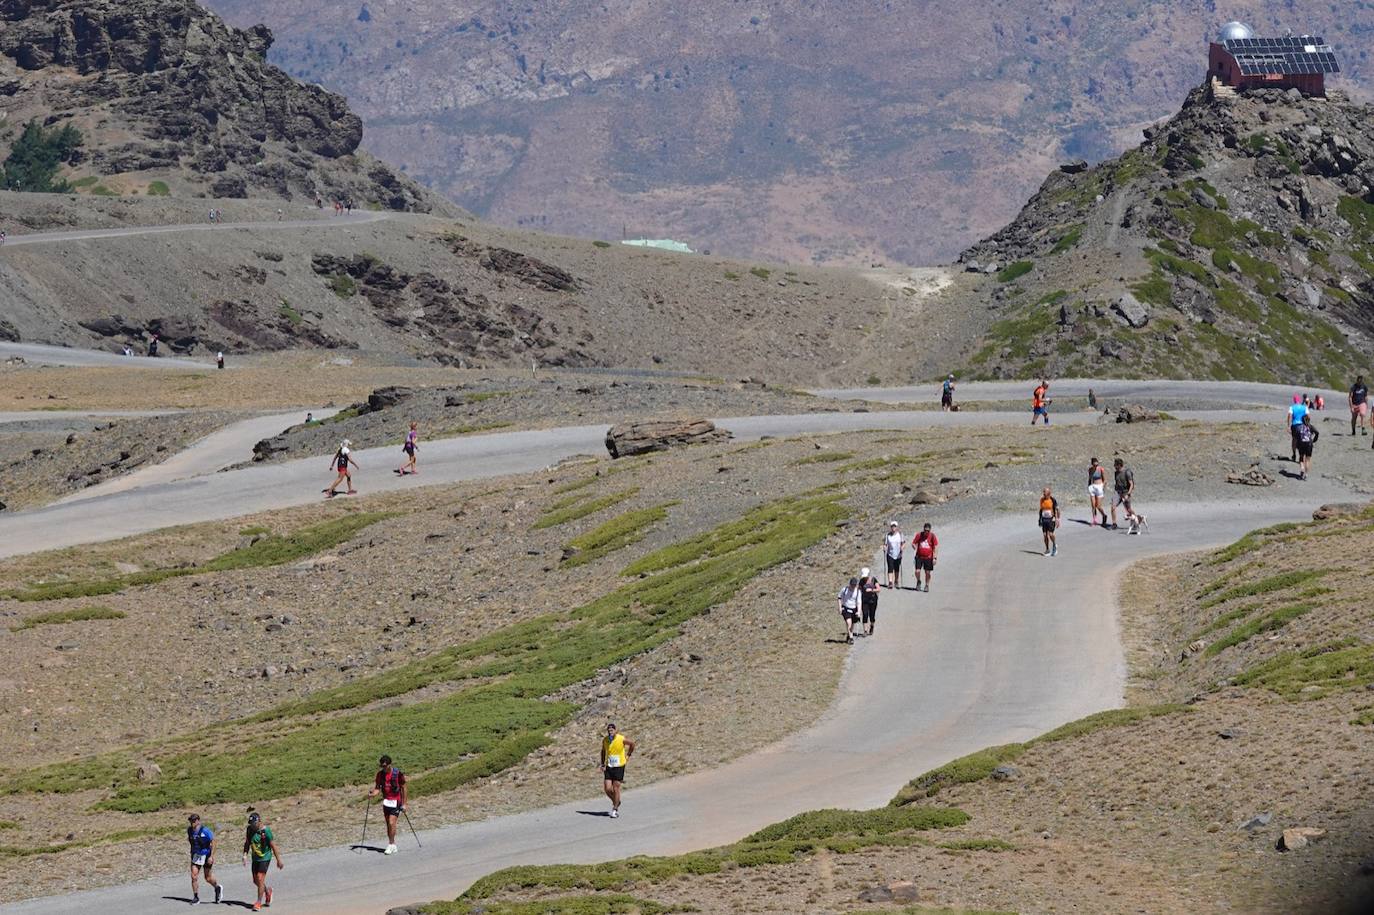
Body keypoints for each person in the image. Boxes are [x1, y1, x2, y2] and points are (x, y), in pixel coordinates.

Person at [242, 809, 282, 912]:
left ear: (259, 821)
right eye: (250, 824)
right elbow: (247, 843)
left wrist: (279, 860)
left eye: (254, 823)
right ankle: (267, 891)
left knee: (260, 878)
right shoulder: (249, 830)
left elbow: (273, 846)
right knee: (256, 881)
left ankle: (258, 902)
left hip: (265, 857)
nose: (252, 825)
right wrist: (245, 855)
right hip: (255, 858)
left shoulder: (266, 831)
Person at [368, 755, 408, 855]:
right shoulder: (380, 775)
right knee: (388, 825)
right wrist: (372, 794)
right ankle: (393, 844)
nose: (384, 768)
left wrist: (404, 804)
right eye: (382, 766)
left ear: (390, 764)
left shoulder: (397, 773)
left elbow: (404, 787)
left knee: (391, 822)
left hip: (396, 801)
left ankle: (390, 845)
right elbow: (377, 788)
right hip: (386, 802)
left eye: (385, 766)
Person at [600, 722, 636, 818]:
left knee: (616, 788)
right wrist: (602, 763)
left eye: (612, 730)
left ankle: (615, 810)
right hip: (609, 766)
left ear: (615, 730)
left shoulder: (621, 738)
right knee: (607, 789)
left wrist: (628, 755)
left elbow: (632, 744)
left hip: (619, 766)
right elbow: (603, 751)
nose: (610, 732)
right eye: (608, 730)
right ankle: (616, 801)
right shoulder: (605, 740)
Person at [187, 813, 223, 905]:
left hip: (206, 855)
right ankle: (196, 897)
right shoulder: (190, 830)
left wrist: (211, 856)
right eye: (191, 821)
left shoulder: (206, 831)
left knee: (208, 878)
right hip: (196, 856)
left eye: (194, 821)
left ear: (198, 821)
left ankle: (217, 887)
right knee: (193, 876)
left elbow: (214, 842)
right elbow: (192, 842)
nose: (192, 823)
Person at [911, 523, 938, 592]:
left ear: (930, 530)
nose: (926, 532)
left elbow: (935, 547)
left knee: (927, 572)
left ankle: (927, 585)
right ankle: (918, 581)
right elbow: (913, 543)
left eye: (928, 531)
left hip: (928, 557)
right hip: (919, 556)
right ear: (923, 529)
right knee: (917, 571)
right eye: (925, 530)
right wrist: (914, 546)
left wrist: (935, 558)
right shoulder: (919, 535)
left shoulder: (932, 536)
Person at [1110, 458, 1136, 530]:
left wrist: (1128, 494)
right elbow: (1117, 483)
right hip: (1118, 492)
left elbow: (1131, 484)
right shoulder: (1116, 473)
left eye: (1115, 465)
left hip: (1125, 492)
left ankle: (1135, 521)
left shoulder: (1127, 472)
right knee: (1113, 507)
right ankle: (1114, 524)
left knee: (1129, 510)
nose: (1114, 466)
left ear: (1119, 465)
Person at [1086, 457, 1109, 527]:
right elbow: (1090, 478)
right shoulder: (1090, 470)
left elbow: (1105, 479)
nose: (1096, 466)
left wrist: (1103, 487)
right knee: (1093, 505)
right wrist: (1089, 486)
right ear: (1092, 464)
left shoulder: (1101, 469)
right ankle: (1094, 520)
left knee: (1098, 506)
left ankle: (1104, 515)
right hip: (1093, 486)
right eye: (1094, 465)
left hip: (1099, 486)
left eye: (1097, 465)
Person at [1296, 413, 1319, 480]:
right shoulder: (1311, 426)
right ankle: (1306, 474)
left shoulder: (1299, 427)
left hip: (1301, 444)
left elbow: (1296, 436)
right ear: (1309, 420)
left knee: (1301, 457)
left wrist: (1297, 444)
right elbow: (1317, 432)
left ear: (1302, 420)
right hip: (1309, 444)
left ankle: (1302, 468)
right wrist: (1314, 440)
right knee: (1308, 459)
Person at [838, 576, 861, 643]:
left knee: (852, 624)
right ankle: (851, 638)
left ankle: (849, 634)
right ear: (850, 584)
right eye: (852, 585)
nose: (853, 586)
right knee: (849, 623)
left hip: (854, 609)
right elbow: (839, 597)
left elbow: (859, 602)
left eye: (854, 585)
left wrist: (859, 612)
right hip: (845, 608)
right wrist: (839, 608)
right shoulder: (844, 590)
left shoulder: (858, 592)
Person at [1038, 487, 1060, 557]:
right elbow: (1041, 510)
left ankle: (1054, 545)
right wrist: (1039, 519)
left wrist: (1057, 519)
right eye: (1043, 492)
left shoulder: (1053, 500)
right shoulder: (1042, 500)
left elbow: (1057, 509)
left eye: (1045, 492)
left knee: (1050, 534)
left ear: (1049, 493)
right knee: (1045, 535)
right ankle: (1047, 549)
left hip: (1051, 519)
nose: (1043, 493)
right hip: (1044, 519)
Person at [858, 566, 880, 636]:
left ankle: (872, 626)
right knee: (865, 614)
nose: (865, 578)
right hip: (864, 600)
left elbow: (879, 589)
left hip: (873, 599)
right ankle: (865, 631)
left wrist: (872, 590)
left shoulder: (873, 580)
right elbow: (859, 589)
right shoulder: (861, 581)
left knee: (872, 615)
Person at [1287, 394, 1308, 463]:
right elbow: (1308, 416)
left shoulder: (1292, 407)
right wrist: (1307, 424)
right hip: (1302, 425)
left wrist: (1288, 426)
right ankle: (1301, 456)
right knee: (1302, 440)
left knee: (1294, 440)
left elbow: (1289, 416)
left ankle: (1294, 454)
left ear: (1294, 400)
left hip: (1295, 425)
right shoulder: (1304, 407)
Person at [883, 521, 904, 589]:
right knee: (890, 568)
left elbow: (903, 543)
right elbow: (885, 544)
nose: (893, 528)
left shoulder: (900, 535)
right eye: (892, 526)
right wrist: (884, 548)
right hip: (890, 554)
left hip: (898, 554)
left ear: (897, 527)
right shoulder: (888, 535)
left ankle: (896, 581)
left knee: (897, 568)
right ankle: (890, 582)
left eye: (894, 526)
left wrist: (902, 548)